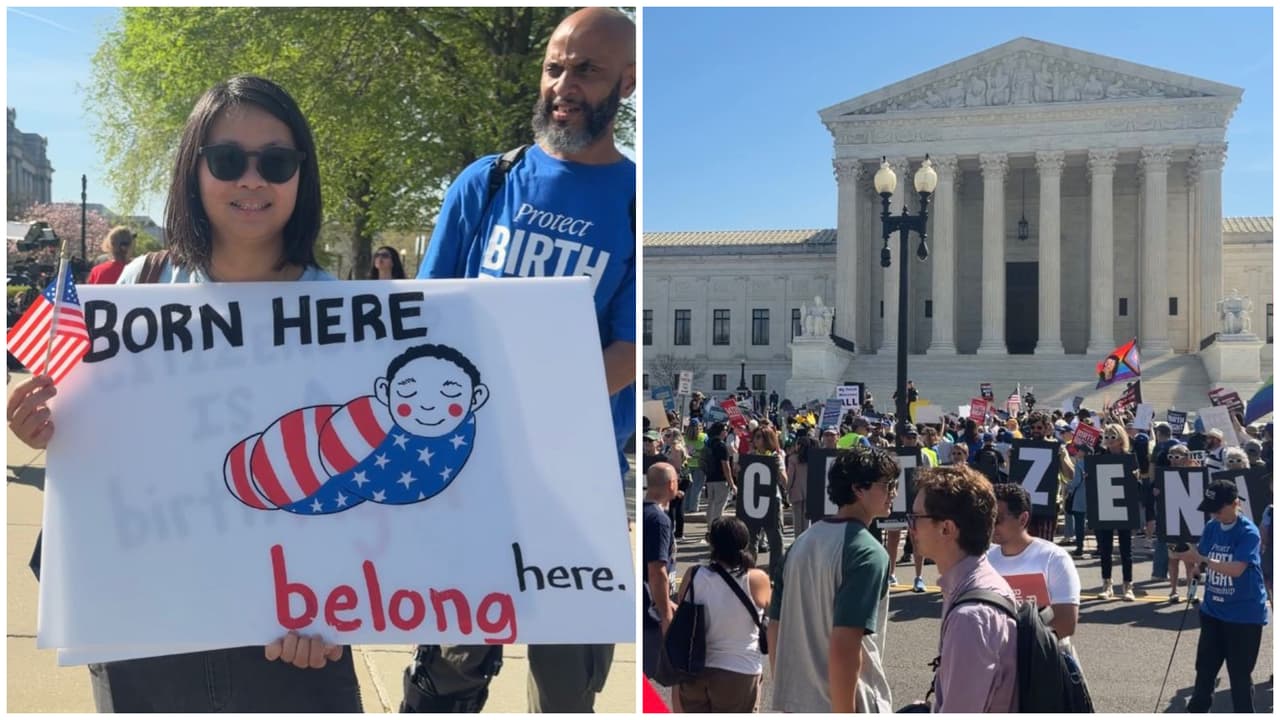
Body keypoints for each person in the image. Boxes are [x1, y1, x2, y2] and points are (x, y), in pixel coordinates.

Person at [7, 75, 360, 712]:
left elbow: (366, 483)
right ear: (193, 170)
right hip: (145, 627)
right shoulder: (139, 289)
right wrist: (41, 424)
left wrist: (340, 607)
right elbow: (87, 434)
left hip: (294, 641)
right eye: (227, 160)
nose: (252, 180)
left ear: (299, 176)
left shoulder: (348, 316)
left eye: (276, 162)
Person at [403, 7, 635, 712]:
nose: (564, 84)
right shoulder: (488, 181)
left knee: (566, 688)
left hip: (575, 476)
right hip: (471, 463)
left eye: (586, 70)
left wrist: (536, 401)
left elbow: (627, 348)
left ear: (626, 82)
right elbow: (428, 311)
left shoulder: (633, 199)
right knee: (450, 667)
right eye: (555, 66)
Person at [767, 447, 897, 713]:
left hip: (796, 700)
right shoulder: (867, 552)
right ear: (859, 489)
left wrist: (786, 690)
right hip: (846, 701)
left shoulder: (801, 544)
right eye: (888, 485)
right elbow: (846, 644)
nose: (894, 492)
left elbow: (775, 627)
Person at [909, 465, 1018, 713]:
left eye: (916, 518)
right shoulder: (976, 585)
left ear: (946, 528)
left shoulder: (970, 617)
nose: (911, 527)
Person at [1173, 479, 1269, 713]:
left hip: (1243, 616)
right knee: (1204, 671)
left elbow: (1237, 568)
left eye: (1218, 508)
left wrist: (1202, 560)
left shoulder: (1248, 532)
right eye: (1210, 508)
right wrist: (1195, 566)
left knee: (1239, 677)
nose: (1214, 513)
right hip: (1213, 612)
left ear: (1235, 503)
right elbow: (1202, 559)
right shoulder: (1212, 527)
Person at [674, 517, 770, 712]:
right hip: (739, 672)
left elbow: (680, 615)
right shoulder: (756, 579)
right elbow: (774, 612)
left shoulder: (693, 575)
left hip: (695, 671)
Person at [987, 483, 1080, 642]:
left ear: (1023, 519)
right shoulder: (985, 559)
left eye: (998, 519)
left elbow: (1066, 623)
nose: (991, 525)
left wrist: (1017, 649)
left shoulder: (1053, 558)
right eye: (988, 518)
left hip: (1043, 659)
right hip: (996, 660)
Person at [642, 463, 678, 682]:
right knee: (658, 673)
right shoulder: (659, 520)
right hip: (650, 608)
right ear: (671, 484)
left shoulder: (645, 513)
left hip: (644, 601)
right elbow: (657, 570)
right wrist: (665, 612)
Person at [704, 422, 735, 524]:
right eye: (725, 430)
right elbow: (726, 466)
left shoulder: (708, 444)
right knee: (719, 506)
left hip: (709, 478)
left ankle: (709, 527)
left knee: (711, 504)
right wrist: (732, 483)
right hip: (721, 479)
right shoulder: (722, 446)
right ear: (721, 432)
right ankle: (716, 527)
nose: (726, 432)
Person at [785, 430, 815, 537]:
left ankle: (798, 541)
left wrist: (786, 491)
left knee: (797, 521)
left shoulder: (793, 459)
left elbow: (790, 477)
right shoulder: (813, 459)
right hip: (809, 492)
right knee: (807, 520)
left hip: (796, 491)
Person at [683, 419, 708, 514]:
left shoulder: (685, 438)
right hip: (700, 464)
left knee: (688, 487)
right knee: (697, 487)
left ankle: (685, 506)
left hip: (687, 464)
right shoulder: (704, 437)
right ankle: (693, 507)